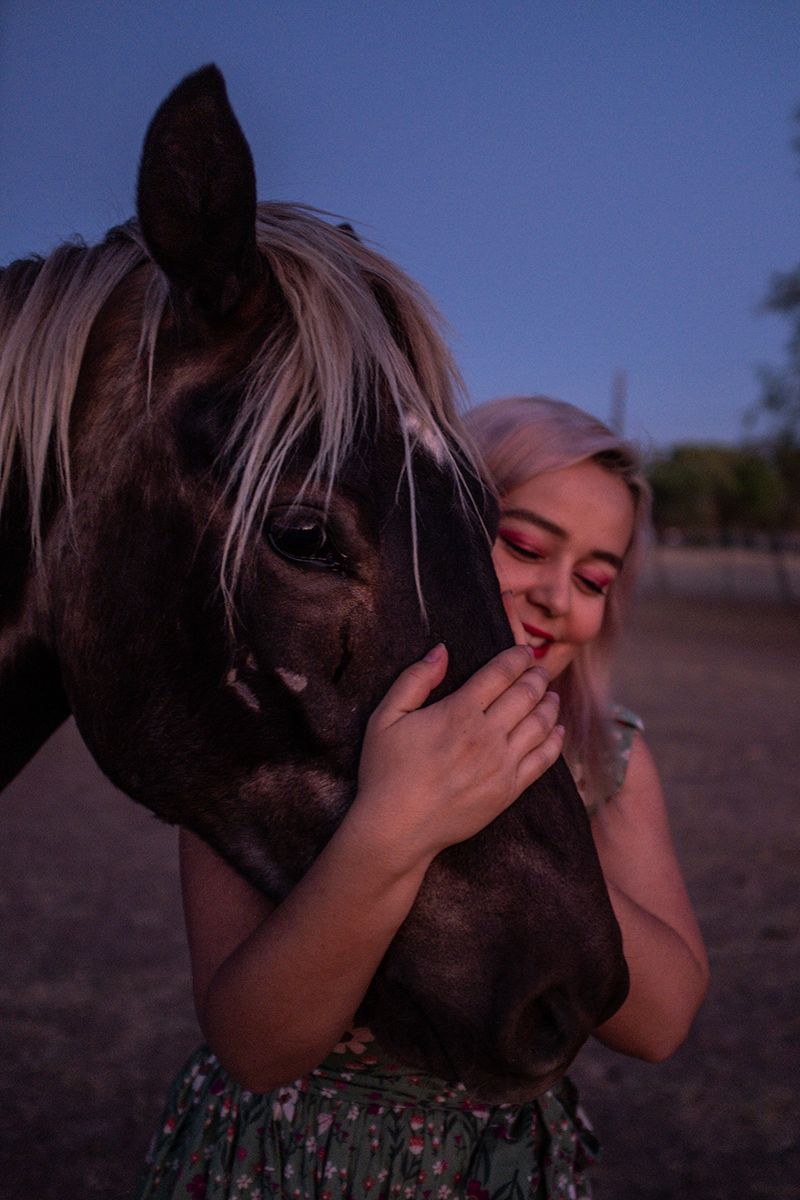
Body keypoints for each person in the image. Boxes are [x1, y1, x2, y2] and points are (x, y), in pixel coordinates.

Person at [136, 395, 708, 1200]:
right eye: (522, 545)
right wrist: (398, 823)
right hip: (284, 1164)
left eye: (592, 578)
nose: (555, 594)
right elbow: (256, 1046)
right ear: (430, 527)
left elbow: (662, 1020)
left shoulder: (605, 754)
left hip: (495, 1172)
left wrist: (527, 822)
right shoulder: (268, 720)